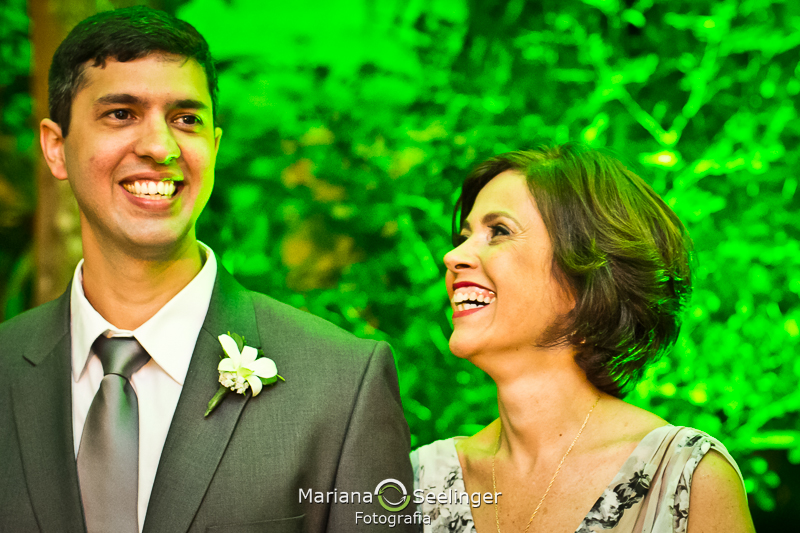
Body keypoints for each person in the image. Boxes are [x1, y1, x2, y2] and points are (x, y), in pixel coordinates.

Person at [0, 6, 415, 533]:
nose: (160, 146)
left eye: (186, 119)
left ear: (214, 149)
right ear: (56, 148)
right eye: (121, 113)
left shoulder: (342, 386)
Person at [411, 144, 755, 533]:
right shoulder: (420, 481)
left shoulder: (685, 479)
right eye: (465, 235)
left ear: (584, 279)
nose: (453, 256)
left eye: (499, 231)